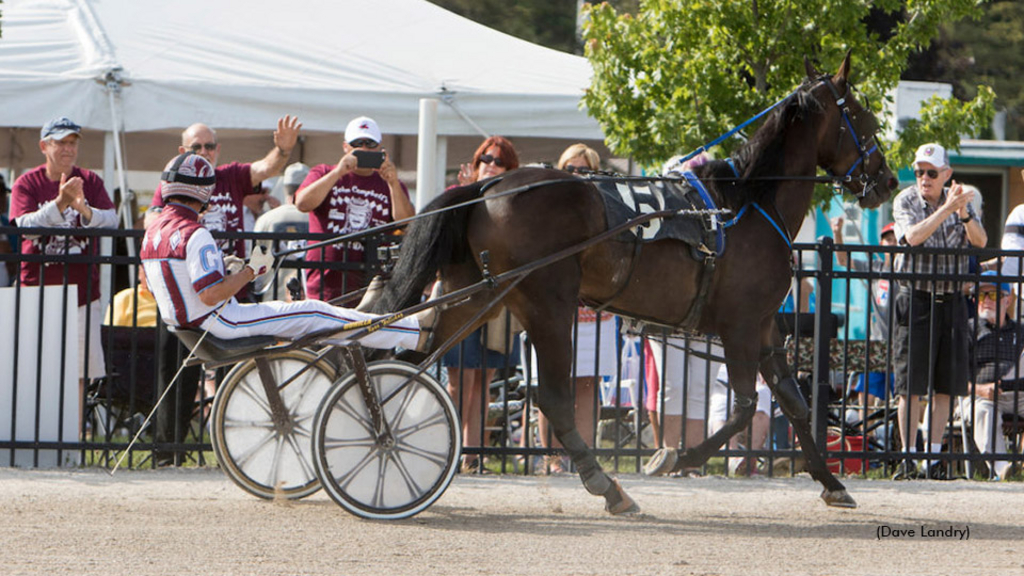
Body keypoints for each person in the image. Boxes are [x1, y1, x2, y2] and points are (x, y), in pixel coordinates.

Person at [141, 153, 434, 354]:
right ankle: (413, 331)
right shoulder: (195, 234)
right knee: (315, 310)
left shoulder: (152, 234)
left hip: (193, 326)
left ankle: (404, 330)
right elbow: (209, 294)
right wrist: (250, 271)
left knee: (316, 313)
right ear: (204, 192)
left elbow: (156, 286)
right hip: (221, 322)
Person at [9, 117, 119, 420]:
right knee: (32, 366)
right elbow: (23, 229)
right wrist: (60, 203)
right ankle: (34, 429)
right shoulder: (27, 183)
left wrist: (84, 210)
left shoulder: (90, 180)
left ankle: (70, 433)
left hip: (83, 294)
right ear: (45, 146)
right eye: (61, 143)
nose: (68, 149)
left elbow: (112, 221)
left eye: (72, 143)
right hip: (36, 290)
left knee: (80, 371)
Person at [890, 142, 987, 480]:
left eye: (932, 172)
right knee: (910, 386)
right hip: (916, 299)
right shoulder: (905, 200)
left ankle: (932, 459)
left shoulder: (962, 200)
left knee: (946, 385)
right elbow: (912, 238)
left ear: (946, 174)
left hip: (952, 301)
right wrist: (947, 210)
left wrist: (962, 211)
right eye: (919, 172)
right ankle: (908, 459)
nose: (924, 178)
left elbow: (980, 241)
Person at [524, 144, 618, 472]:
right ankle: (551, 457)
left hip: (597, 313)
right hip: (556, 311)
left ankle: (584, 456)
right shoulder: (549, 209)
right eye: (571, 169)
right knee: (553, 383)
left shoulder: (605, 207)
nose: (577, 175)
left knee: (588, 385)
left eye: (583, 170)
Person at [444, 136, 521, 473]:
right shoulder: (454, 196)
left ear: (509, 170)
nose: (490, 164)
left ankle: (472, 456)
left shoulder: (515, 205)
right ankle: (447, 450)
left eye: (499, 161)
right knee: (459, 379)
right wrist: (462, 199)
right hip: (460, 295)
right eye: (484, 159)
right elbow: (445, 246)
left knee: (484, 382)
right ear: (474, 165)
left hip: (498, 299)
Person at [145, 116, 302, 263]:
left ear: (217, 149)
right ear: (183, 151)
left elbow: (266, 169)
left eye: (209, 146)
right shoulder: (174, 183)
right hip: (193, 275)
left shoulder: (231, 176)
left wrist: (283, 150)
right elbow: (151, 220)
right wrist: (186, 218)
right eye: (196, 147)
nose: (204, 152)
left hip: (232, 278)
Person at [295, 116, 414, 302]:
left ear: (380, 148)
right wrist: (338, 172)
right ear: (345, 147)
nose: (364, 149)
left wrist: (393, 183)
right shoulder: (324, 172)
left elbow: (406, 223)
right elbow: (302, 204)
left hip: (372, 284)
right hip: (326, 282)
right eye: (357, 143)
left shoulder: (390, 183)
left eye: (370, 144)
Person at [104, 266, 203, 466]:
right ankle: (168, 450)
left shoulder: (171, 297)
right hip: (131, 373)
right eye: (144, 269)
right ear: (139, 272)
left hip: (166, 364)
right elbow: (108, 337)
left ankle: (171, 449)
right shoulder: (124, 298)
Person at [960, 272, 1024, 480]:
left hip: (1019, 395)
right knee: (983, 411)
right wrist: (980, 389)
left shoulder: (1020, 331)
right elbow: (954, 376)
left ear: (1007, 300)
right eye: (980, 296)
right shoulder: (968, 330)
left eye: (993, 295)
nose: (985, 300)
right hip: (981, 395)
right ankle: (1003, 469)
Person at [831, 218, 897, 410]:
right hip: (878, 341)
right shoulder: (875, 268)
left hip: (903, 343)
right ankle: (865, 438)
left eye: (896, 239)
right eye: (888, 239)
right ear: (881, 244)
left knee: (906, 396)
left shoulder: (910, 269)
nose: (892, 243)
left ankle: (906, 439)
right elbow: (843, 260)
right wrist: (837, 233)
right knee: (865, 393)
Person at [253, 162, 311, 300]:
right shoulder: (317, 219)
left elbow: (254, 263)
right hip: (311, 301)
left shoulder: (266, 219)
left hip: (272, 300)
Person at [709, 365, 771, 476]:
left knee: (762, 394)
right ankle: (733, 458)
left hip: (747, 378)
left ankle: (750, 458)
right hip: (718, 381)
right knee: (721, 403)